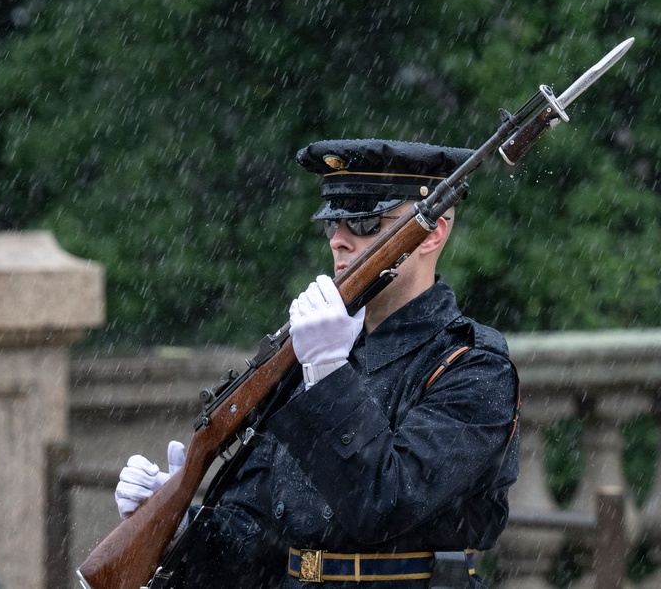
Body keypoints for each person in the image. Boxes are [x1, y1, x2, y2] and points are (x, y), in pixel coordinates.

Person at [114, 139, 520, 588]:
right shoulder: (313, 355)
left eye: (365, 221)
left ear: (434, 233)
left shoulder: (473, 366)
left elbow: (382, 505)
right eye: (333, 223)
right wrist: (179, 527)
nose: (340, 240)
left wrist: (327, 375)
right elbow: (257, 548)